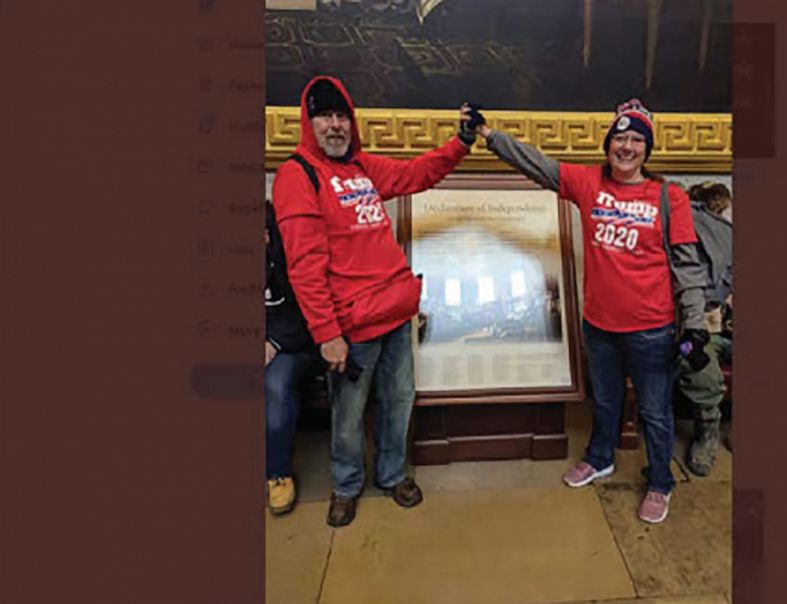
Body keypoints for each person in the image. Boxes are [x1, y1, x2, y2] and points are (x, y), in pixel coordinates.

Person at [475, 99, 710, 524]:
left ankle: (660, 481)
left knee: (655, 413)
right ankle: (600, 457)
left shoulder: (668, 196)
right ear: (608, 144)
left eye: (637, 139)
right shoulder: (588, 183)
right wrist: (491, 137)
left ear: (647, 148)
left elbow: (688, 267)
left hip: (651, 330)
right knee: (604, 400)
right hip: (600, 325)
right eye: (619, 138)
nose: (627, 147)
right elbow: (537, 164)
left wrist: (694, 324)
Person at [272, 75, 476, 527]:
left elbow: (416, 173)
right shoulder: (297, 176)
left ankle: (391, 475)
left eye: (342, 115)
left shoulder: (362, 167)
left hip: (395, 314)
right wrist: (327, 335)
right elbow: (304, 266)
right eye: (325, 116)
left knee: (399, 400)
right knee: (347, 417)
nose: (335, 125)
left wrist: (460, 143)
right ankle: (346, 486)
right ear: (309, 124)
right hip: (350, 327)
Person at [265, 200, 322, 515]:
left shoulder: (291, 248)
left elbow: (311, 311)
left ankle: (277, 473)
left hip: (295, 343)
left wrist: (274, 341)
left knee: (275, 383)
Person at [678, 182, 733, 477]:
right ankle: (707, 432)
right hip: (701, 328)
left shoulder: (730, 241)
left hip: (728, 325)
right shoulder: (692, 240)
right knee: (704, 371)